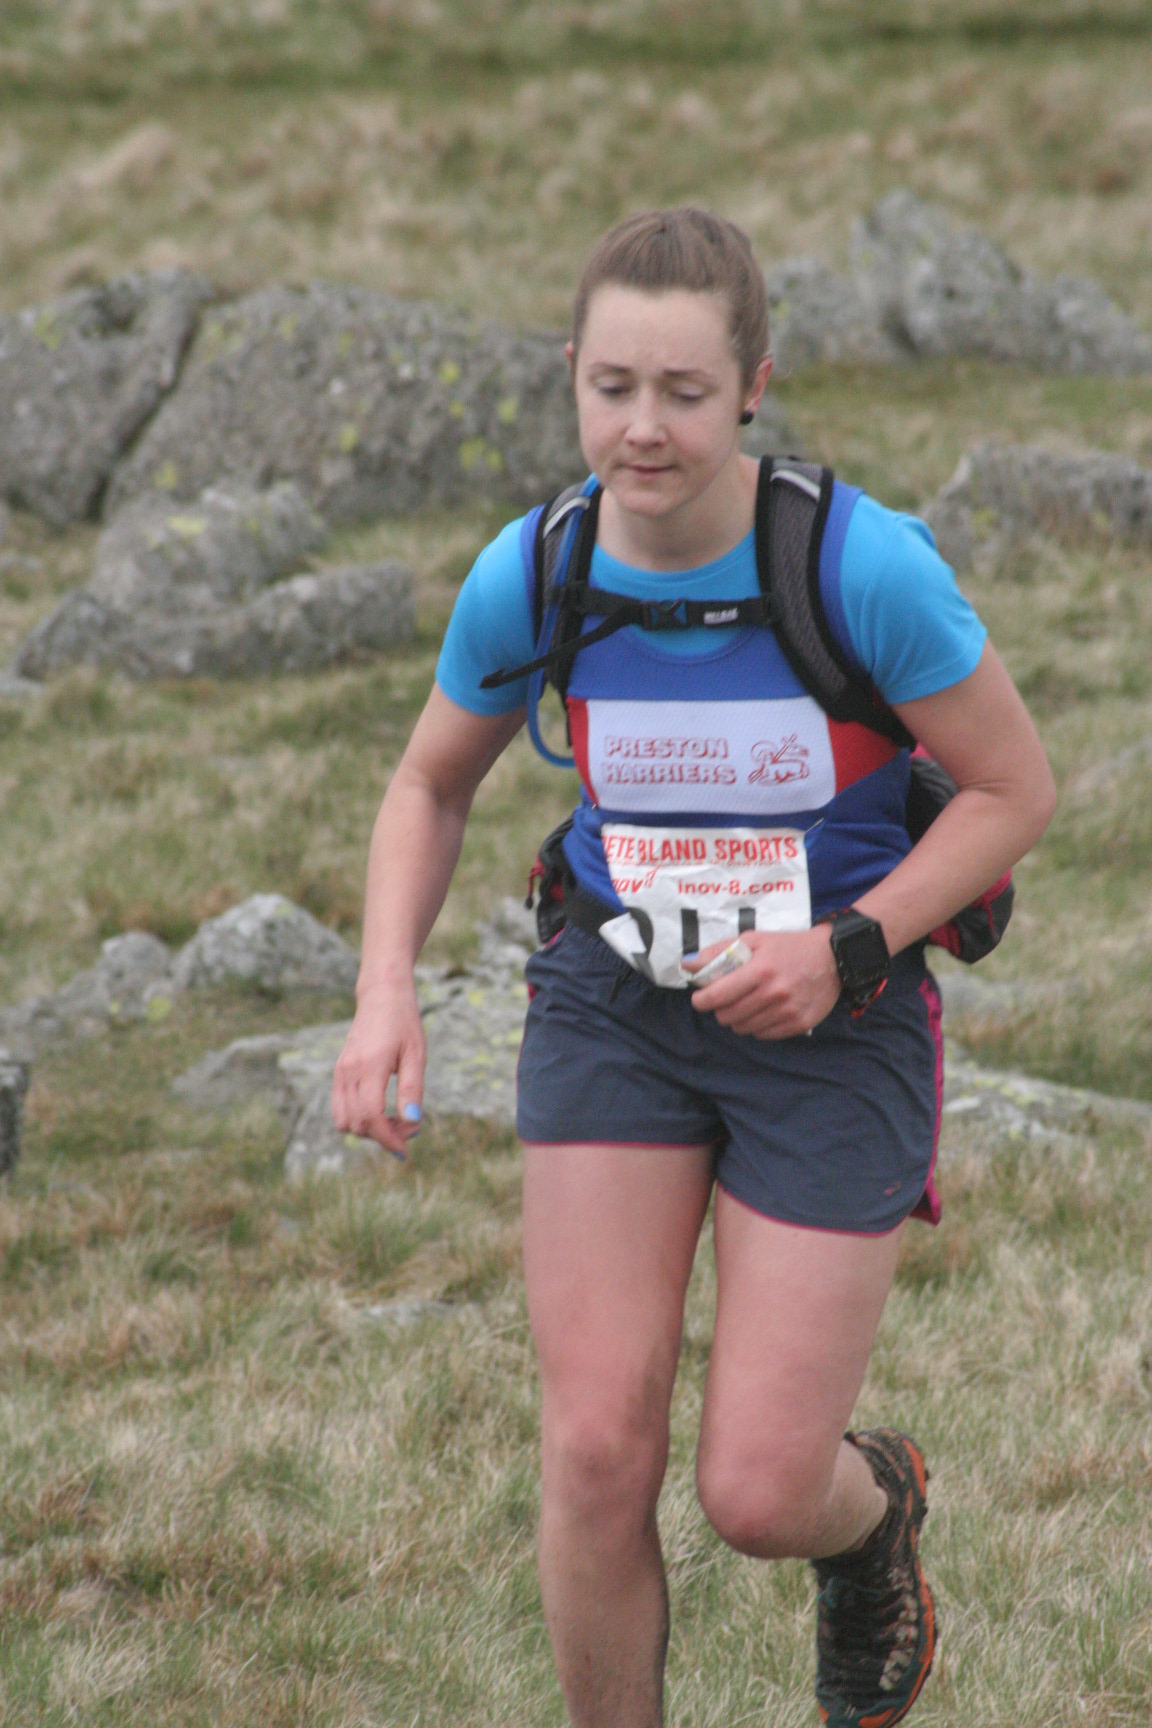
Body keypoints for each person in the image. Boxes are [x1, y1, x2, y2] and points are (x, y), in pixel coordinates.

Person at [331, 207, 1055, 1728]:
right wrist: (384, 988)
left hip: (836, 1017)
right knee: (596, 1452)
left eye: (680, 391)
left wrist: (847, 943)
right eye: (611, 387)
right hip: (615, 1005)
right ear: (573, 383)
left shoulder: (860, 565)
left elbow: (1013, 794)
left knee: (755, 1487)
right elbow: (428, 786)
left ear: (751, 389)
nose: (641, 428)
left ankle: (875, 1520)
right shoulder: (536, 570)